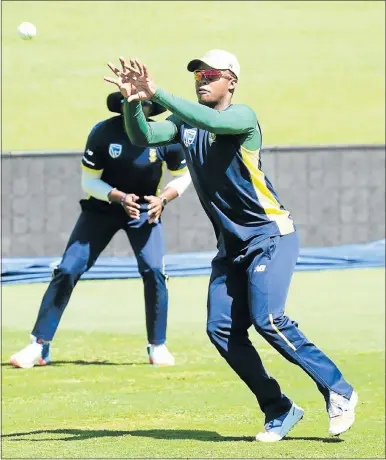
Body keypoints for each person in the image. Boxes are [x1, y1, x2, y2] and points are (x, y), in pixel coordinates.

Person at [103, 50, 358, 442]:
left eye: (210, 74)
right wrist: (134, 105)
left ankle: (339, 390)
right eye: (197, 75)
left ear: (231, 81)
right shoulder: (182, 123)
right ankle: (280, 408)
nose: (202, 79)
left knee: (269, 319)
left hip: (270, 235)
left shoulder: (242, 118)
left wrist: (156, 90)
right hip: (231, 247)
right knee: (221, 330)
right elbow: (143, 136)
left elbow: (209, 121)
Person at [9, 92, 191, 369]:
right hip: (102, 209)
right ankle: (38, 345)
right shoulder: (103, 132)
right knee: (68, 269)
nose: (136, 111)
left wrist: (163, 198)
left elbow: (183, 175)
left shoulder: (164, 135)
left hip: (143, 210)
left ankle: (158, 345)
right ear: (121, 108)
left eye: (142, 105)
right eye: (130, 105)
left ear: (150, 108)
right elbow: (89, 181)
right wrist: (118, 197)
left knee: (154, 270)